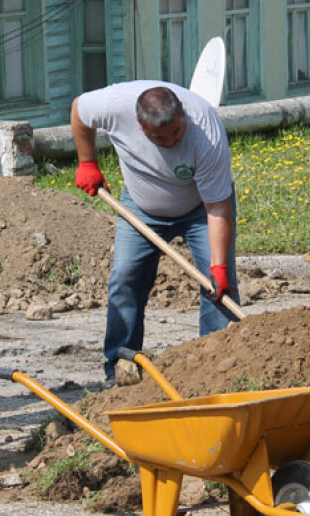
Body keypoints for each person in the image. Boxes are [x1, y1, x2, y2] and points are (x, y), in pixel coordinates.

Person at [71, 81, 240, 384]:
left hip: (201, 210)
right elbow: (79, 111)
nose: (170, 141)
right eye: (159, 137)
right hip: (141, 207)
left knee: (218, 287)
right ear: (140, 125)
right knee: (125, 277)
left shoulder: (207, 132)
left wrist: (220, 267)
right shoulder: (113, 105)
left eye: (176, 132)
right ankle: (120, 367)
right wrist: (87, 163)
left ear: (183, 115)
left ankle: (216, 372)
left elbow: (218, 208)